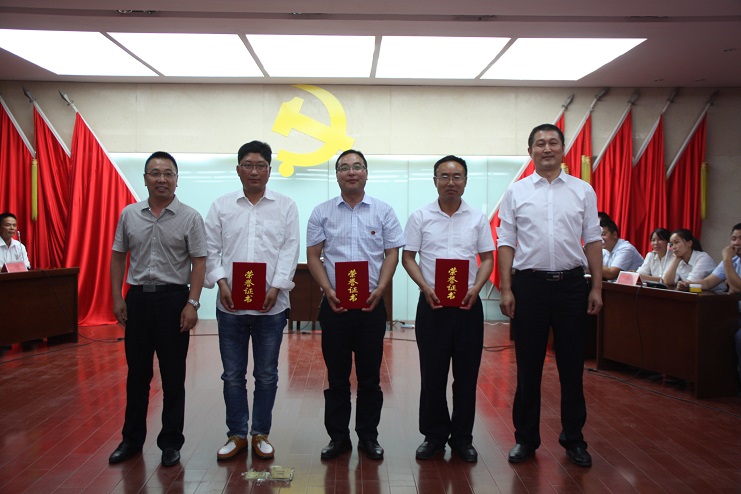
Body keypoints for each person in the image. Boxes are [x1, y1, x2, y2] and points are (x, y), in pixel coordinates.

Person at [497, 123, 603, 468]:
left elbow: (593, 240)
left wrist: (596, 287)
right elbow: (506, 242)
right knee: (528, 367)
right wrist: (507, 288)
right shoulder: (516, 192)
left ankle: (574, 440)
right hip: (530, 287)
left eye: (553, 143)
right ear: (530, 151)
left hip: (572, 286)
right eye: (540, 144)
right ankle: (525, 439)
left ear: (562, 149)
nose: (546, 148)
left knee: (572, 367)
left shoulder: (583, 190)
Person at [109, 151, 207, 467]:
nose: (161, 179)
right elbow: (118, 256)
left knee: (173, 375)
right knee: (137, 374)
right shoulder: (129, 214)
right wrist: (117, 298)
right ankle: (131, 440)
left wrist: (192, 303)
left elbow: (199, 262)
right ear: (145, 179)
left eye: (168, 173)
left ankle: (170, 443)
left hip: (173, 301)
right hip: (137, 299)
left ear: (177, 179)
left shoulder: (190, 217)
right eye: (155, 173)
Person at [306, 149, 405, 460]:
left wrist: (381, 289)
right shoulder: (321, 212)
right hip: (334, 306)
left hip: (370, 306)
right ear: (337, 175)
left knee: (370, 378)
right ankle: (338, 438)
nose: (351, 172)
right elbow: (313, 256)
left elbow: (392, 253)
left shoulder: (383, 211)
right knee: (336, 377)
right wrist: (327, 289)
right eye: (344, 167)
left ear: (366, 173)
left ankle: (368, 437)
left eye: (357, 166)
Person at [205, 140, 300, 461]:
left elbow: (290, 249)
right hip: (230, 305)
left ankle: (260, 433)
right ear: (238, 169)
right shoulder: (221, 206)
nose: (254, 171)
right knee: (232, 375)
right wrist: (221, 282)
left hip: (271, 307)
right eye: (248, 165)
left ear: (270, 170)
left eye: (261, 166)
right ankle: (236, 434)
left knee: (266, 374)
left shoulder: (285, 206)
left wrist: (277, 287)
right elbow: (210, 249)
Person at [401, 155, 494, 462]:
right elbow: (408, 257)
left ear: (465, 181)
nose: (451, 182)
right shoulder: (420, 216)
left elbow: (488, 259)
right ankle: (434, 435)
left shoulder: (477, 218)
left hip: (468, 306)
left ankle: (463, 438)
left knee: (466, 376)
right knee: (433, 375)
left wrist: (476, 287)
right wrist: (424, 287)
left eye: (457, 176)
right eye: (444, 176)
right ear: (435, 181)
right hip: (432, 305)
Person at [690, 223, 741, 389]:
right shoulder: (733, 260)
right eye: (733, 238)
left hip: (736, 315)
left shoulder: (729, 260)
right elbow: (708, 282)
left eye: (740, 239)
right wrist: (687, 284)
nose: (736, 243)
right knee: (707, 329)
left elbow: (738, 288)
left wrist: (726, 259)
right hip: (732, 313)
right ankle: (714, 382)